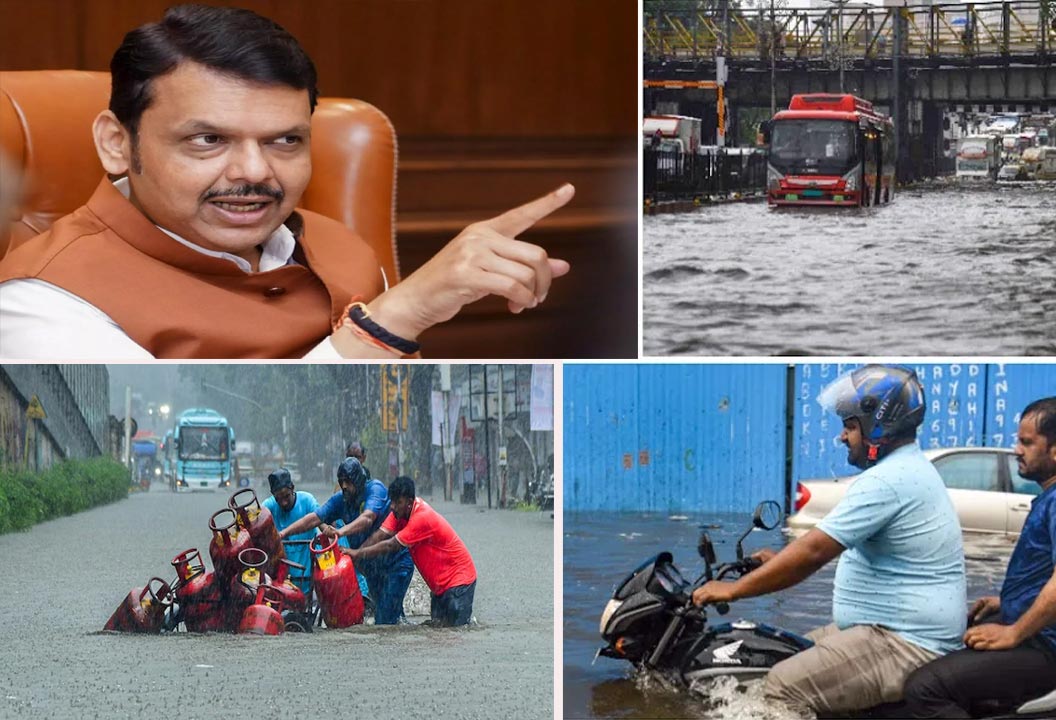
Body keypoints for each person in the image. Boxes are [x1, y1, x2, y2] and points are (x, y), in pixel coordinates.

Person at [0, 4, 572, 360]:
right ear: (117, 143)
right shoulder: (43, 301)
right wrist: (389, 323)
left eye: (284, 141)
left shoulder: (344, 249)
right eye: (208, 140)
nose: (254, 172)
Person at [691, 365, 967, 717]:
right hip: (888, 629)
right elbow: (831, 545)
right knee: (780, 652)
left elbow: (813, 552)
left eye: (850, 427)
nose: (842, 437)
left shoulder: (888, 480)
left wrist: (733, 590)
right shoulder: (906, 468)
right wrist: (778, 562)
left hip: (905, 642)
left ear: (878, 428)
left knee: (779, 687)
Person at [903, 397, 1056, 719]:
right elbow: (1050, 573)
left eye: (1026, 442)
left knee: (924, 689)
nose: (1017, 450)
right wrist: (1010, 601)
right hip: (1049, 639)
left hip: (1051, 651)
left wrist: (1013, 632)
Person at [278, 457, 414, 624]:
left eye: (348, 481)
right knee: (390, 615)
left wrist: (340, 532)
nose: (344, 486)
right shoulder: (341, 500)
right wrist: (283, 533)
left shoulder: (375, 489)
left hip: (396, 563)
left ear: (358, 479)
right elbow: (313, 518)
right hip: (371, 568)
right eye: (341, 481)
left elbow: (368, 518)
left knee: (384, 619)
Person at [338, 476, 478, 627]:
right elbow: (380, 535)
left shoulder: (421, 518)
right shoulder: (399, 514)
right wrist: (356, 553)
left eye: (398, 502)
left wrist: (357, 554)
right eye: (392, 501)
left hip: (459, 583)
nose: (392, 507)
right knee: (438, 632)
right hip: (440, 587)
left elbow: (391, 545)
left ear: (410, 502)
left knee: (455, 633)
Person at [260, 467, 319, 593]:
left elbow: (322, 521)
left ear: (292, 488)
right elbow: (256, 519)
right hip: (281, 582)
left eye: (286, 496)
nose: (284, 502)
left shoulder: (307, 501)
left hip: (309, 577)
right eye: (278, 499)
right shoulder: (269, 506)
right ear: (273, 495)